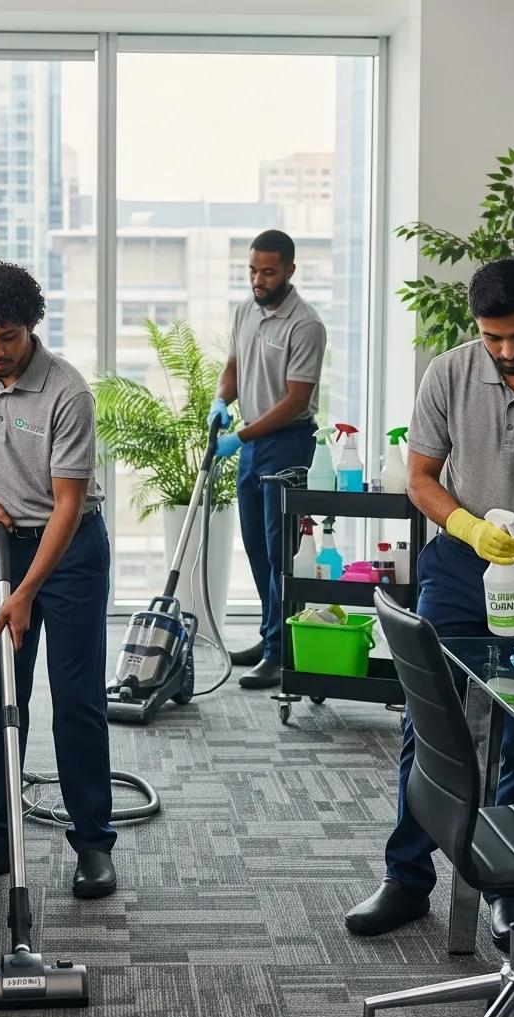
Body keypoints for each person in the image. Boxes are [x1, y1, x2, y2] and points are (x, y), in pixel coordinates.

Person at [344, 258, 514, 952]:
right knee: (430, 724)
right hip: (461, 565)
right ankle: (406, 877)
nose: (505, 350)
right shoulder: (449, 374)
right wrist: (465, 526)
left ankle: (510, 888)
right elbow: (420, 478)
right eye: (492, 336)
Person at [0, 261, 116, 899]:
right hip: (1, 547)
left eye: (5, 338)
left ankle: (93, 843)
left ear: (31, 327)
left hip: (69, 555)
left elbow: (68, 505)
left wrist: (27, 592)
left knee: (76, 700)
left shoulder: (68, 392)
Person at [209, 229, 327, 688]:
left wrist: (239, 436)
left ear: (290, 271)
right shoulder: (245, 311)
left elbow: (297, 400)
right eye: (253, 270)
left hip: (288, 443)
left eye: (269, 271)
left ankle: (282, 652)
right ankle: (270, 636)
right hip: (253, 442)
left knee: (283, 553)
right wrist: (222, 400)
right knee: (257, 547)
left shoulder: (306, 325)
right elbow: (234, 368)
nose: (258, 279)